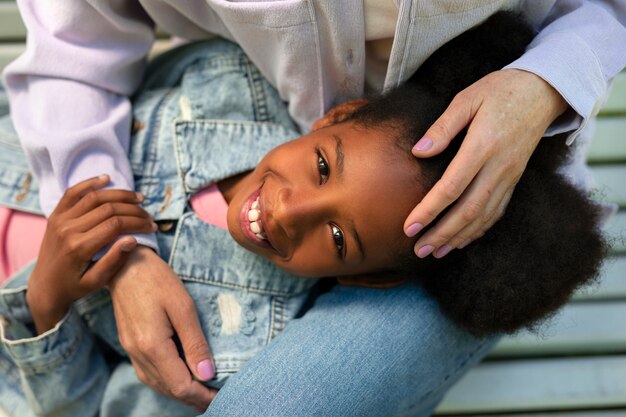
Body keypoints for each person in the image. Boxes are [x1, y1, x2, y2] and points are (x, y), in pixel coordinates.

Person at [3, 1, 625, 415]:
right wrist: (122, 260)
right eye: (322, 168)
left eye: (335, 236)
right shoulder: (225, 86)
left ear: (360, 278)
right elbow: (74, 53)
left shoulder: (223, 354)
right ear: (337, 115)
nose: (288, 211)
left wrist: (44, 306)